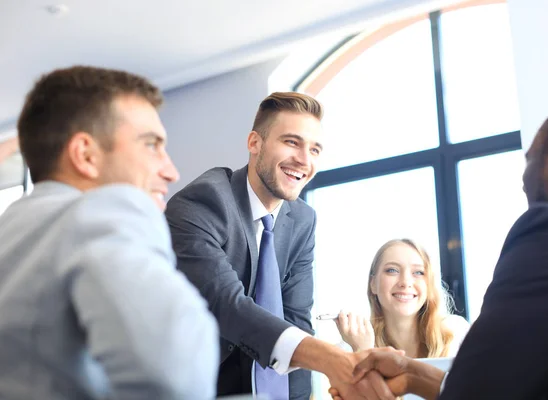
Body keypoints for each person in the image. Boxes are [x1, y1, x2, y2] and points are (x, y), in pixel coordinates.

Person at [340, 79, 548, 400]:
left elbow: (480, 389)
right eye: (392, 270)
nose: (523, 180)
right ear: (372, 282)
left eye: (530, 158)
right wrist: (410, 374)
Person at [0, 65, 219, 399]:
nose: (171, 171)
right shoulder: (102, 213)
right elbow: (178, 377)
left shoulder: (12, 231)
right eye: (151, 145)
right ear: (86, 155)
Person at [166, 92, 392, 400]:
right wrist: (332, 361)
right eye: (291, 142)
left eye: (314, 149)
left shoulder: (301, 220)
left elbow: (295, 318)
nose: (304, 160)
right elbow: (229, 307)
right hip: (196, 387)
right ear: (254, 143)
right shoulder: (202, 203)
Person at [335, 239, 469, 358]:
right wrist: (362, 352)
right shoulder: (349, 347)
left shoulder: (457, 334)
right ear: (373, 284)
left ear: (429, 285)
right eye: (392, 270)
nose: (405, 282)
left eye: (418, 272)